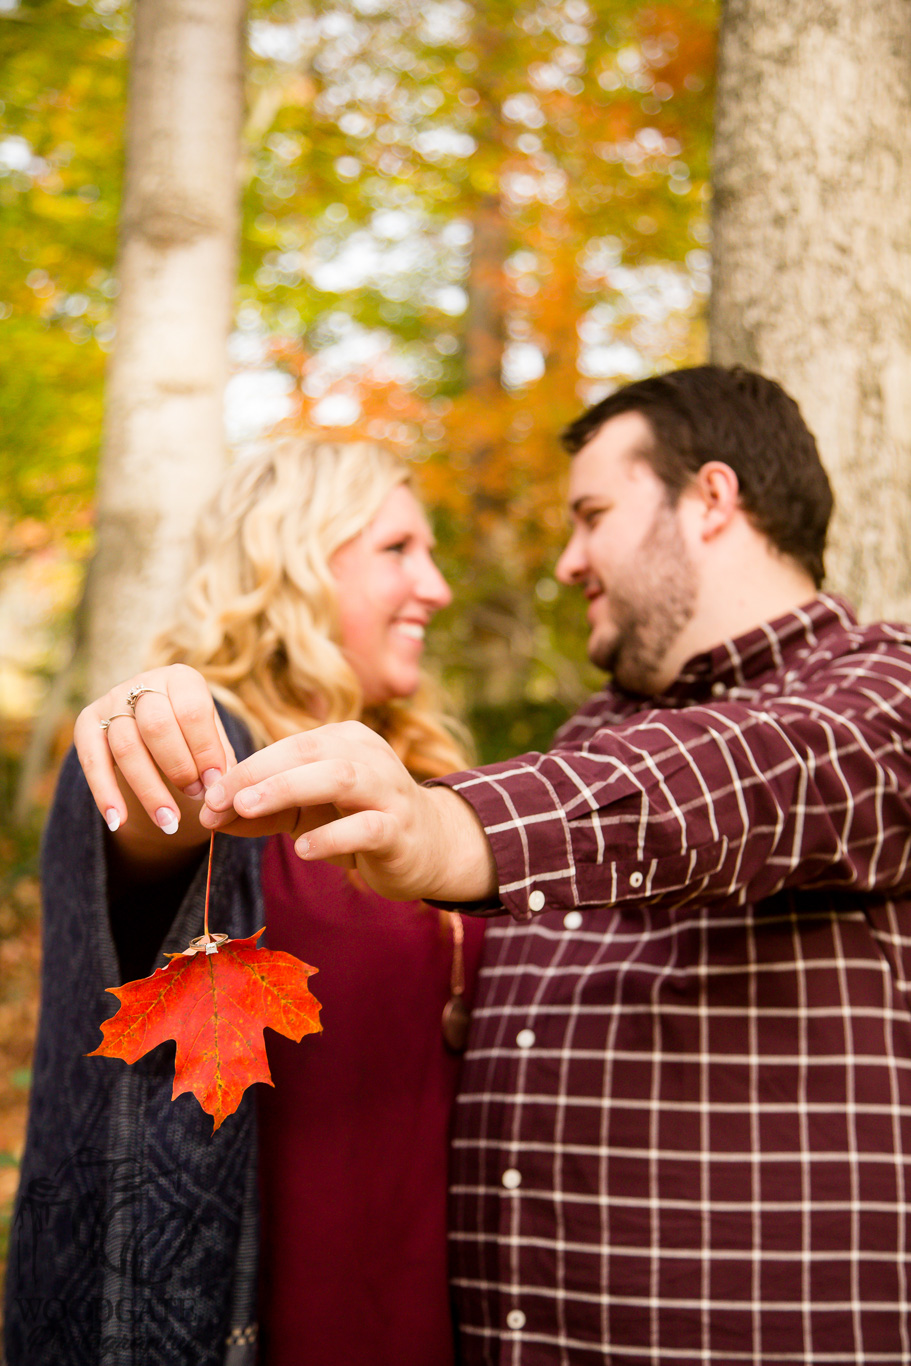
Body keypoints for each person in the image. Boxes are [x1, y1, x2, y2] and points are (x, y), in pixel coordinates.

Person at [197, 366, 911, 1362]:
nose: (567, 560)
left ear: (709, 499)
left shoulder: (878, 692)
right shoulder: (587, 737)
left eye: (591, 514)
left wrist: (446, 830)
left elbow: (747, 774)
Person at [4, 436, 484, 1366]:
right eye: (396, 550)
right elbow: (160, 823)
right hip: (240, 1319)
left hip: (428, 1302)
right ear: (289, 558)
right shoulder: (225, 759)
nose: (435, 586)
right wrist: (160, 727)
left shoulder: (428, 792)